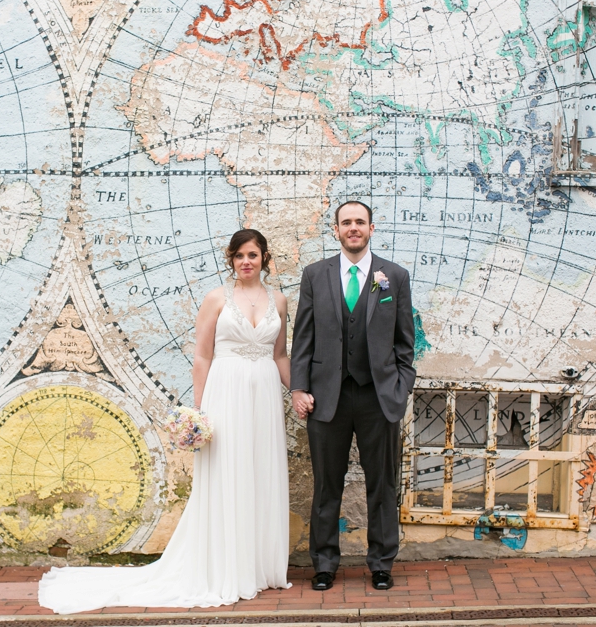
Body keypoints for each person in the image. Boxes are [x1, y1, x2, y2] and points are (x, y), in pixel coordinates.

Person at [38, 229, 292, 613]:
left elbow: (280, 356)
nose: (246, 262)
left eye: (253, 255)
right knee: (227, 477)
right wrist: (199, 411)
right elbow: (202, 357)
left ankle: (256, 567)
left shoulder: (280, 301)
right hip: (225, 396)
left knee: (260, 473)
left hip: (266, 400)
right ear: (231, 259)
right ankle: (224, 568)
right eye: (239, 255)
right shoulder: (216, 299)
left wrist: (301, 390)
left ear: (265, 258)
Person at [290, 200, 415, 592]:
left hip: (378, 397)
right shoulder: (315, 274)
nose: (353, 228)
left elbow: (405, 344)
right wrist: (298, 387)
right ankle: (324, 563)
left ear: (371, 228)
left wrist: (400, 387)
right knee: (328, 485)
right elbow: (303, 338)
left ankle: (381, 563)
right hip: (328, 398)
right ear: (336, 229)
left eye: (360, 222)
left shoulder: (393, 276)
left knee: (383, 484)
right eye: (346, 222)